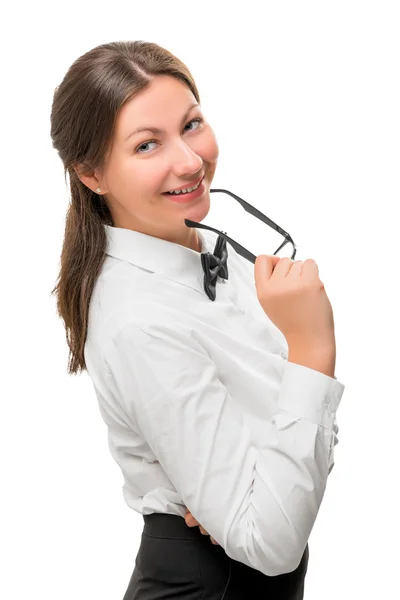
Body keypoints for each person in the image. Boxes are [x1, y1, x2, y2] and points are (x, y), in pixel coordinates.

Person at [50, 40, 345, 599]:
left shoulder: (209, 248)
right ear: (91, 174)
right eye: (146, 145)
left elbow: (297, 455)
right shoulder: (137, 319)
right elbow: (271, 542)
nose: (189, 161)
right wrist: (312, 349)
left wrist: (256, 483)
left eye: (191, 124)